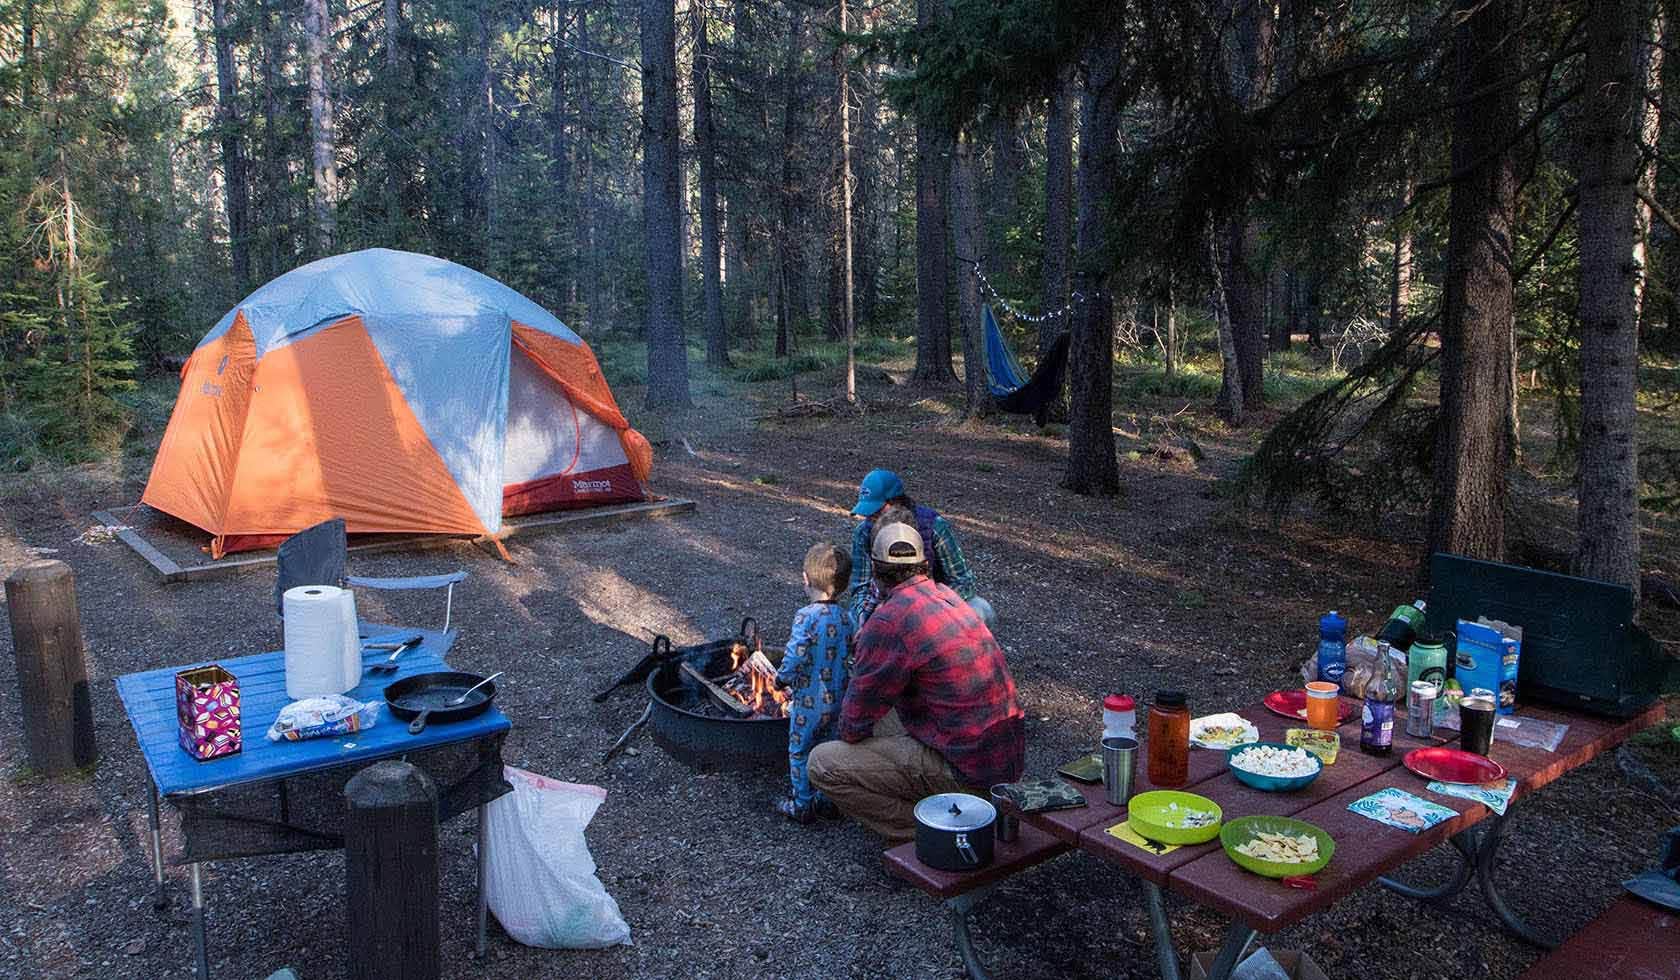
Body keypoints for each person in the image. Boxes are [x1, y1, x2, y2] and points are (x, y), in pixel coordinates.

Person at [808, 523, 1025, 840]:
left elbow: (853, 724)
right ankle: (949, 806)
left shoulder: (888, 620)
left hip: (970, 775)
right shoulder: (947, 596)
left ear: (876, 571)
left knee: (822, 763)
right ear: (924, 563)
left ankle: (933, 830)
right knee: (885, 721)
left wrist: (867, 663)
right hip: (1004, 763)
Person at [771, 542, 856, 823]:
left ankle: (803, 803)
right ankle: (827, 799)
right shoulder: (847, 617)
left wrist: (781, 678)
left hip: (809, 701)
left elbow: (795, 654)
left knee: (799, 750)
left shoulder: (805, 617)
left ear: (805, 580)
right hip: (839, 699)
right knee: (829, 749)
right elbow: (856, 648)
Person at [845, 468, 994, 628]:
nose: (871, 517)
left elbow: (962, 581)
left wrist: (932, 607)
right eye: (868, 513)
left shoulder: (934, 526)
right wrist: (865, 618)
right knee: (850, 622)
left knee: (981, 609)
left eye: (876, 510)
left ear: (896, 502)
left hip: (935, 601)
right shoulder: (863, 533)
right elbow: (861, 587)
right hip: (884, 605)